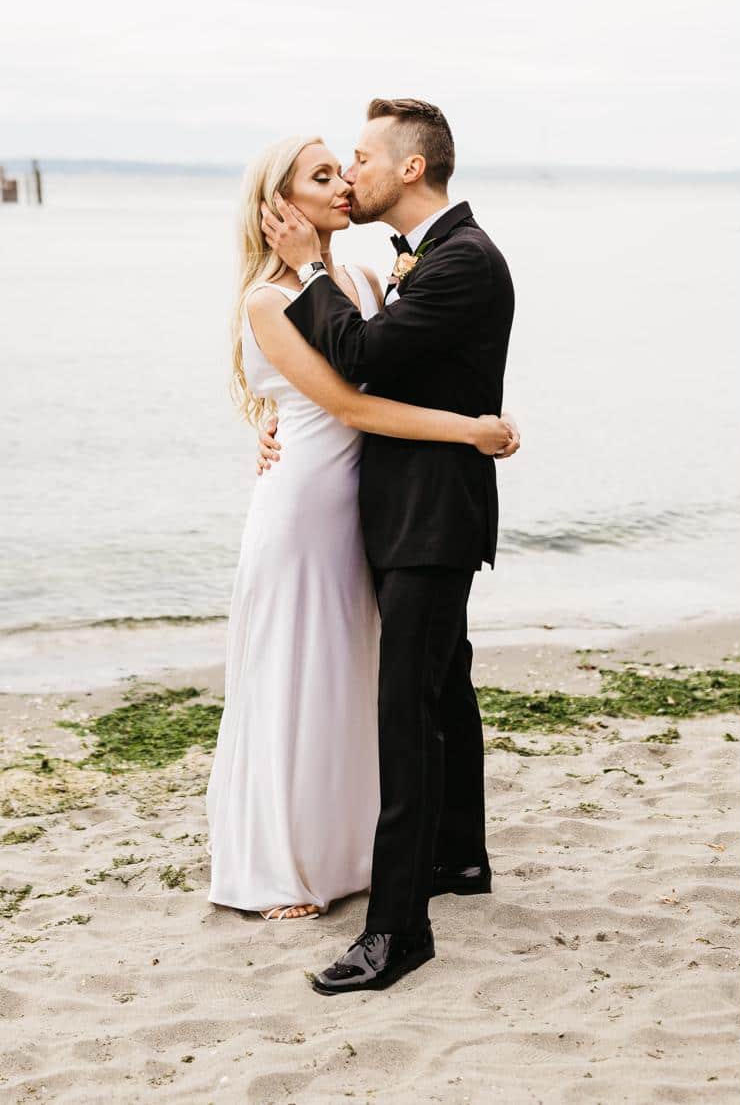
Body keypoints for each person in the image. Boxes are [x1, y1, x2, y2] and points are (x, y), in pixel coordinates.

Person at [208, 135, 516, 925]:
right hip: (305, 507)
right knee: (294, 676)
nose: (344, 180)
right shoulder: (267, 301)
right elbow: (346, 405)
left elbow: (372, 360)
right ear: (281, 208)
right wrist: (468, 430)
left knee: (351, 679)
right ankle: (284, 865)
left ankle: (354, 849)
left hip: (367, 506)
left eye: (345, 166)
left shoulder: (369, 275)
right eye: (322, 174)